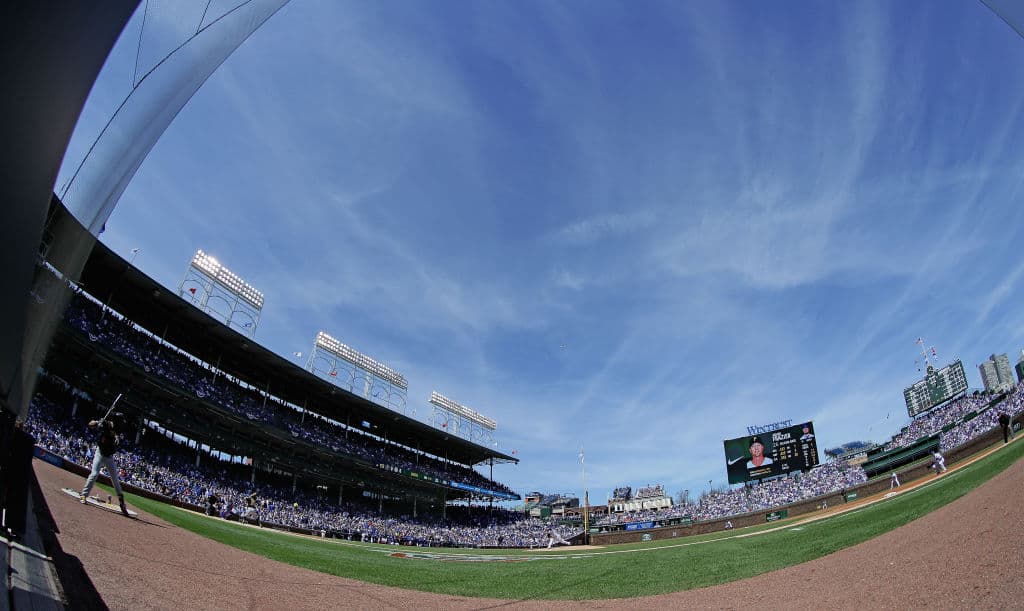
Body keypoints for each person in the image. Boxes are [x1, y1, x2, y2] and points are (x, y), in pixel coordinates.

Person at [80, 418, 129, 516]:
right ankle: (84, 495)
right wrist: (98, 422)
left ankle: (122, 503)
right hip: (100, 453)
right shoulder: (106, 424)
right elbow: (90, 424)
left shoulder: (117, 432)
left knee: (115, 480)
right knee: (94, 474)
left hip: (109, 457)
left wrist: (114, 435)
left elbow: (116, 438)